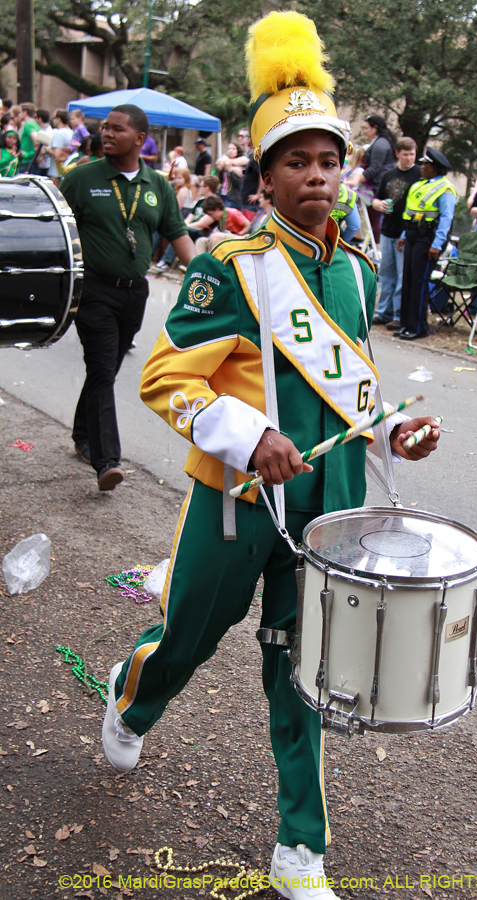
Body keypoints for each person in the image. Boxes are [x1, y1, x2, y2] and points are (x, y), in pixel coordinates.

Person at [100, 13, 440, 900]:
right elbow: (166, 378)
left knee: (304, 672)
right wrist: (247, 434)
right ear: (267, 172)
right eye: (298, 162)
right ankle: (133, 697)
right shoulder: (233, 263)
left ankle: (300, 850)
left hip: (325, 510)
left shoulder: (357, 271)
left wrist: (393, 431)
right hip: (236, 503)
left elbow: (353, 386)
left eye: (329, 160)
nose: (318, 177)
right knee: (184, 640)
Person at [59, 103, 196, 490]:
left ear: (139, 139)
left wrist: (208, 276)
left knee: (106, 371)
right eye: (105, 128)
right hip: (94, 291)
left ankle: (83, 436)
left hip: (135, 293)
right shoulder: (81, 179)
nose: (107, 133)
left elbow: (177, 233)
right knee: (103, 369)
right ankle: (107, 461)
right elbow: (58, 231)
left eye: (117, 129)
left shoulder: (157, 185)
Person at [395, 147, 457, 340]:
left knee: (419, 283)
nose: (422, 167)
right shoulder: (420, 185)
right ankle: (406, 324)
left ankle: (418, 327)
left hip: (428, 239)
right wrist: (404, 234)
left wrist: (437, 245)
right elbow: (411, 213)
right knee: (408, 280)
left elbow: (446, 219)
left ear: (434, 168)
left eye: (426, 165)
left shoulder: (445, 188)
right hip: (413, 235)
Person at [370, 137, 421, 329]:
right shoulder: (389, 174)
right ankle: (384, 311)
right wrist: (378, 205)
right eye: (405, 154)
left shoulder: (419, 174)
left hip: (405, 231)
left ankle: (398, 314)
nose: (409, 158)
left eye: (412, 154)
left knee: (401, 274)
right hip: (388, 229)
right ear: (398, 154)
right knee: (386, 273)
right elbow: (375, 199)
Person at [346, 115, 396, 244]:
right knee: (370, 217)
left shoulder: (380, 144)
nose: (365, 131)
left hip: (378, 186)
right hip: (376, 185)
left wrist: (357, 179)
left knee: (374, 219)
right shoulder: (380, 142)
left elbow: (375, 168)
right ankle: (362, 238)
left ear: (375, 128)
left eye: (367, 128)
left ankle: (377, 248)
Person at [47, 110, 73, 185]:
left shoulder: (59, 133)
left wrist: (47, 149)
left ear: (59, 119)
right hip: (65, 171)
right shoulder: (71, 132)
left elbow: (57, 154)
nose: (53, 120)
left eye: (54, 118)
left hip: (56, 173)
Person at [216, 141, 245, 208]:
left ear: (238, 150)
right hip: (222, 194)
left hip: (232, 197)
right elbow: (220, 179)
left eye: (233, 149)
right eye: (229, 149)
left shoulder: (241, 164)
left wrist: (231, 170)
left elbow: (239, 182)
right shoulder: (224, 163)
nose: (231, 151)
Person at [18, 102, 38, 172]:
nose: (19, 115)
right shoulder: (35, 124)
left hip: (27, 162)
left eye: (20, 112)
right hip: (32, 162)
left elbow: (36, 139)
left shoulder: (28, 124)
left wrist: (26, 154)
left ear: (25, 112)